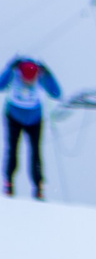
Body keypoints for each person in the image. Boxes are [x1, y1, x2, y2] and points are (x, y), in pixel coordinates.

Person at [4, 57, 60, 199]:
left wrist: (48, 74)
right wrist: (9, 69)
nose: (28, 81)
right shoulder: (14, 73)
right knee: (12, 149)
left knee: (35, 152)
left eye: (31, 78)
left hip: (34, 119)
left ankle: (38, 185)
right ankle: (9, 182)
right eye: (26, 78)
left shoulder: (40, 75)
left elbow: (56, 93)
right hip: (14, 117)